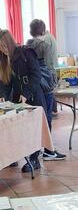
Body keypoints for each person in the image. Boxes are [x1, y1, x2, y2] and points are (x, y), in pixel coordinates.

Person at [0, 29, 47, 172]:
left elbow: (36, 75)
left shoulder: (26, 52)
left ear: (8, 43)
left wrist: (26, 93)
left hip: (33, 95)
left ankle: (34, 159)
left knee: (32, 128)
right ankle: (13, 157)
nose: (1, 49)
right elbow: (5, 82)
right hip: (17, 99)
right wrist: (2, 95)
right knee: (17, 129)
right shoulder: (3, 58)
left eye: (2, 46)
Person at [27, 19, 65, 161]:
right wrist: (54, 81)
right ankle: (49, 150)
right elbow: (50, 66)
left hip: (34, 87)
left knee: (38, 118)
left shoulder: (27, 45)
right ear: (43, 31)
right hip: (45, 84)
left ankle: (39, 150)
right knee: (47, 117)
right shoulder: (46, 43)